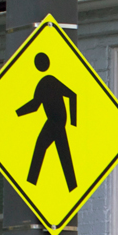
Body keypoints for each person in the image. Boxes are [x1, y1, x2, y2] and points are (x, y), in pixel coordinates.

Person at [18, 51, 77, 190]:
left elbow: (72, 95)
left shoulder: (49, 81)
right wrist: (16, 113)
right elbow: (35, 106)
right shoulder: (44, 82)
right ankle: (32, 184)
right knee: (54, 152)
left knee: (57, 153)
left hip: (57, 121)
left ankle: (33, 183)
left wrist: (74, 122)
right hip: (54, 121)